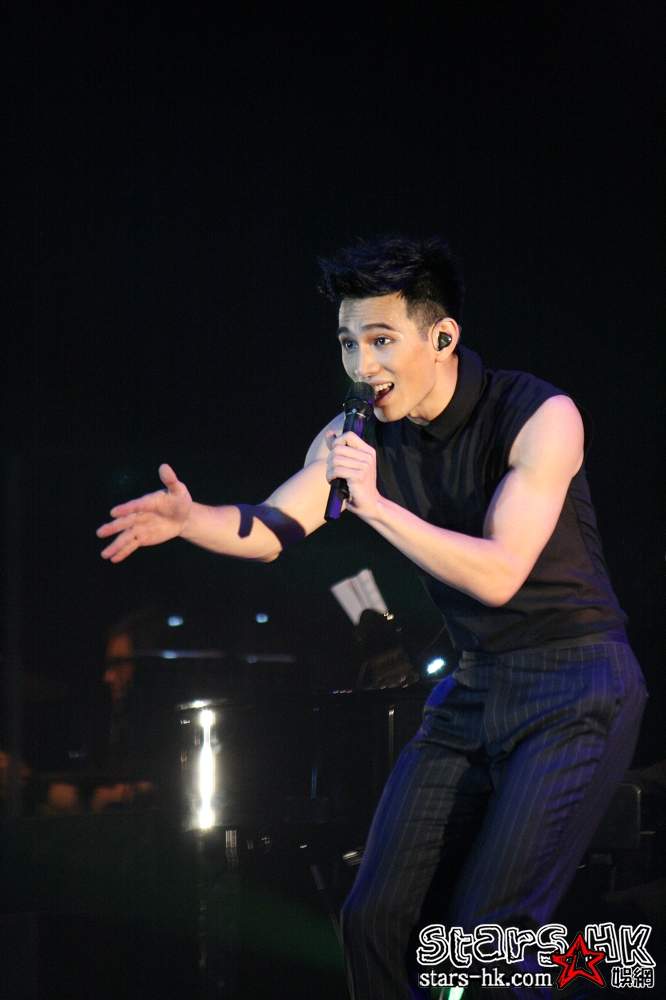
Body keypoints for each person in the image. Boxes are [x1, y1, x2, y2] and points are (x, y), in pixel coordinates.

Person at [97, 236, 647, 998]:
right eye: (348, 343)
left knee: (489, 935)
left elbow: (500, 573)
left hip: (576, 684)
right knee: (372, 918)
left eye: (382, 340)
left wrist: (377, 506)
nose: (362, 364)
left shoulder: (540, 416)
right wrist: (192, 520)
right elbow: (273, 528)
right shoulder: (356, 434)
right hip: (477, 685)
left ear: (442, 338)